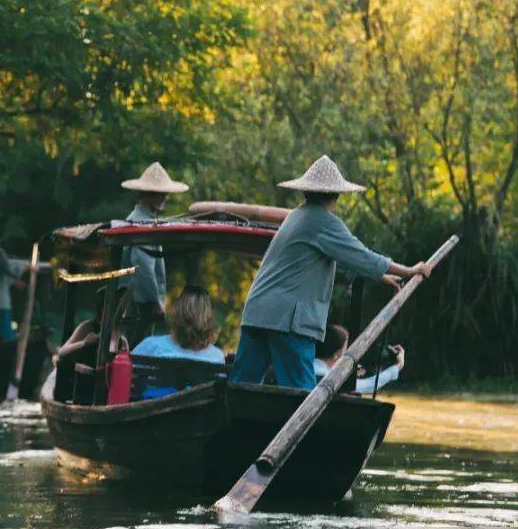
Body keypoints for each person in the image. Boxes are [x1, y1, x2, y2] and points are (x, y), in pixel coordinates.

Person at [230, 156, 433, 390]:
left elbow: (341, 257)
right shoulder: (322, 220)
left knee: (241, 387)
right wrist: (410, 269)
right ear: (336, 195)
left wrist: (381, 275)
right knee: (302, 396)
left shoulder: (297, 215)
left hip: (258, 311)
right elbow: (361, 254)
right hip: (288, 320)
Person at [118, 162, 189, 344]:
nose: (165, 197)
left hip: (137, 302)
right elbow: (143, 266)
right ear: (150, 195)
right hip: (139, 304)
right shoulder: (141, 225)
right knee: (136, 350)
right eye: (162, 193)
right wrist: (154, 301)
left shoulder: (141, 221)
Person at [132, 286, 225, 399]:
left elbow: (128, 378)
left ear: (177, 312)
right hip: (199, 415)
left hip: (156, 414)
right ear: (208, 317)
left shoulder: (151, 345)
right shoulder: (216, 356)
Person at [315, 325, 404, 394]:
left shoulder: (310, 368)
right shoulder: (326, 377)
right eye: (346, 348)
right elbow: (368, 384)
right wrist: (398, 366)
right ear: (337, 354)